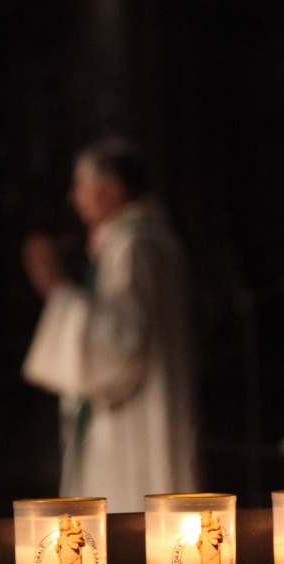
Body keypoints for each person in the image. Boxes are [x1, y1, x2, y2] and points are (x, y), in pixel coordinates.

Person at [21, 139, 198, 513]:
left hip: (133, 418)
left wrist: (58, 290)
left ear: (113, 189)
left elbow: (120, 345)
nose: (74, 198)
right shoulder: (135, 240)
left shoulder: (135, 246)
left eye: (81, 185)